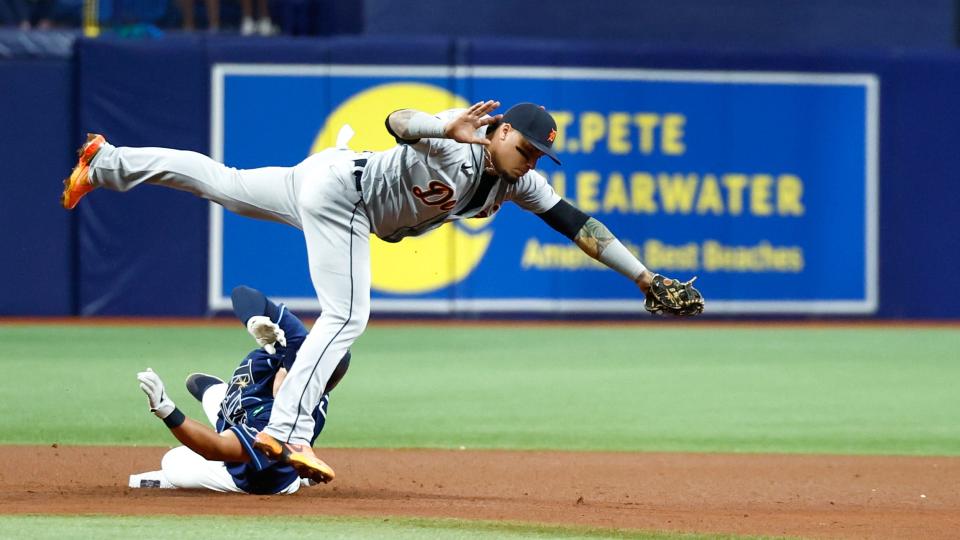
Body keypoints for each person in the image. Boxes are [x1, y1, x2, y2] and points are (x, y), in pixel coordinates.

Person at [62, 100, 703, 483]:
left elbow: (578, 225)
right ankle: (284, 432)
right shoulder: (460, 146)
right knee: (345, 315)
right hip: (345, 196)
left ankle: (107, 160)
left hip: (330, 182)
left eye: (539, 156)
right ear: (501, 130)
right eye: (526, 147)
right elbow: (397, 121)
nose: (530, 161)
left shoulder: (517, 185)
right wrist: (443, 125)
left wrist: (644, 277)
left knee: (223, 185)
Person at [129, 285, 350, 493]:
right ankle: (293, 462)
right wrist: (254, 320)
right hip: (249, 410)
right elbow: (242, 294)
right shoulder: (295, 342)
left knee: (173, 462)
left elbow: (215, 448)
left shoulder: (278, 421)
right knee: (203, 386)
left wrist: (165, 409)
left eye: (301, 388)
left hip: (252, 478)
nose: (291, 389)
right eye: (293, 379)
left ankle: (293, 476)